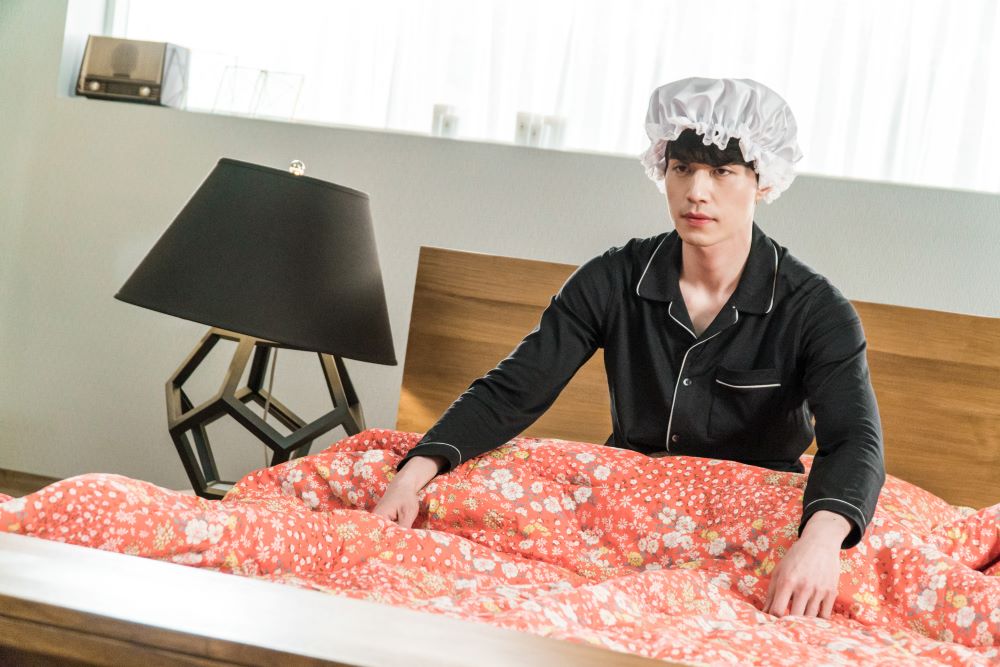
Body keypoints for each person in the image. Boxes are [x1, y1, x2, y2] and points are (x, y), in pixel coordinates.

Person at [373, 77, 885, 621]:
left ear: (763, 181)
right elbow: (515, 387)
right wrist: (412, 474)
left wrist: (820, 540)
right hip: (621, 510)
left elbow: (855, 439)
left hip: (749, 522)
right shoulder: (614, 278)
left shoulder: (816, 310)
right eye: (682, 168)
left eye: (722, 172)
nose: (697, 191)